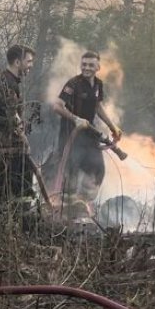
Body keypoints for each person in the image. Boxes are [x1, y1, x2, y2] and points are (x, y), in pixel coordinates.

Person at [49, 51, 123, 211]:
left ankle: (82, 204)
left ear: (98, 67)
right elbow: (57, 106)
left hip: (89, 137)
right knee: (71, 176)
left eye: (90, 65)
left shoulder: (98, 84)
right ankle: (65, 211)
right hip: (71, 136)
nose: (86, 68)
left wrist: (112, 126)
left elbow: (97, 106)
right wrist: (75, 119)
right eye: (84, 64)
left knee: (98, 171)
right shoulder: (73, 84)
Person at [0, 44, 36, 208]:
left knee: (15, 181)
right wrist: (23, 139)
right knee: (4, 185)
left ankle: (14, 214)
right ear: (17, 62)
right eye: (28, 61)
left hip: (6, 139)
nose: (31, 65)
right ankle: (12, 218)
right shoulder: (6, 82)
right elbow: (12, 115)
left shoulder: (9, 80)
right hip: (2, 140)